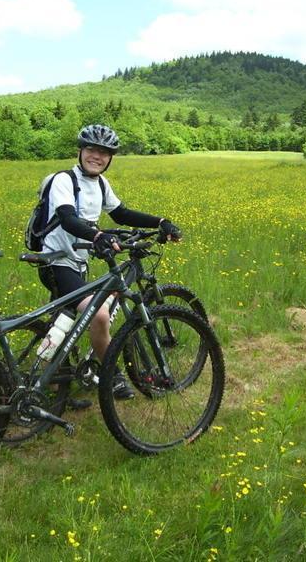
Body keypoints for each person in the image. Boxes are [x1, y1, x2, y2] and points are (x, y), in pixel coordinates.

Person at [37, 124, 182, 406]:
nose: (97, 156)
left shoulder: (101, 184)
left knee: (61, 326)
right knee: (100, 315)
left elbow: (121, 213)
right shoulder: (63, 180)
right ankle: (112, 375)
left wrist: (160, 221)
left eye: (104, 152)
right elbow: (67, 218)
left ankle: (52, 389)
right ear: (80, 151)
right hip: (56, 262)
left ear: (110, 158)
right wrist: (97, 235)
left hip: (76, 262)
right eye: (91, 149)